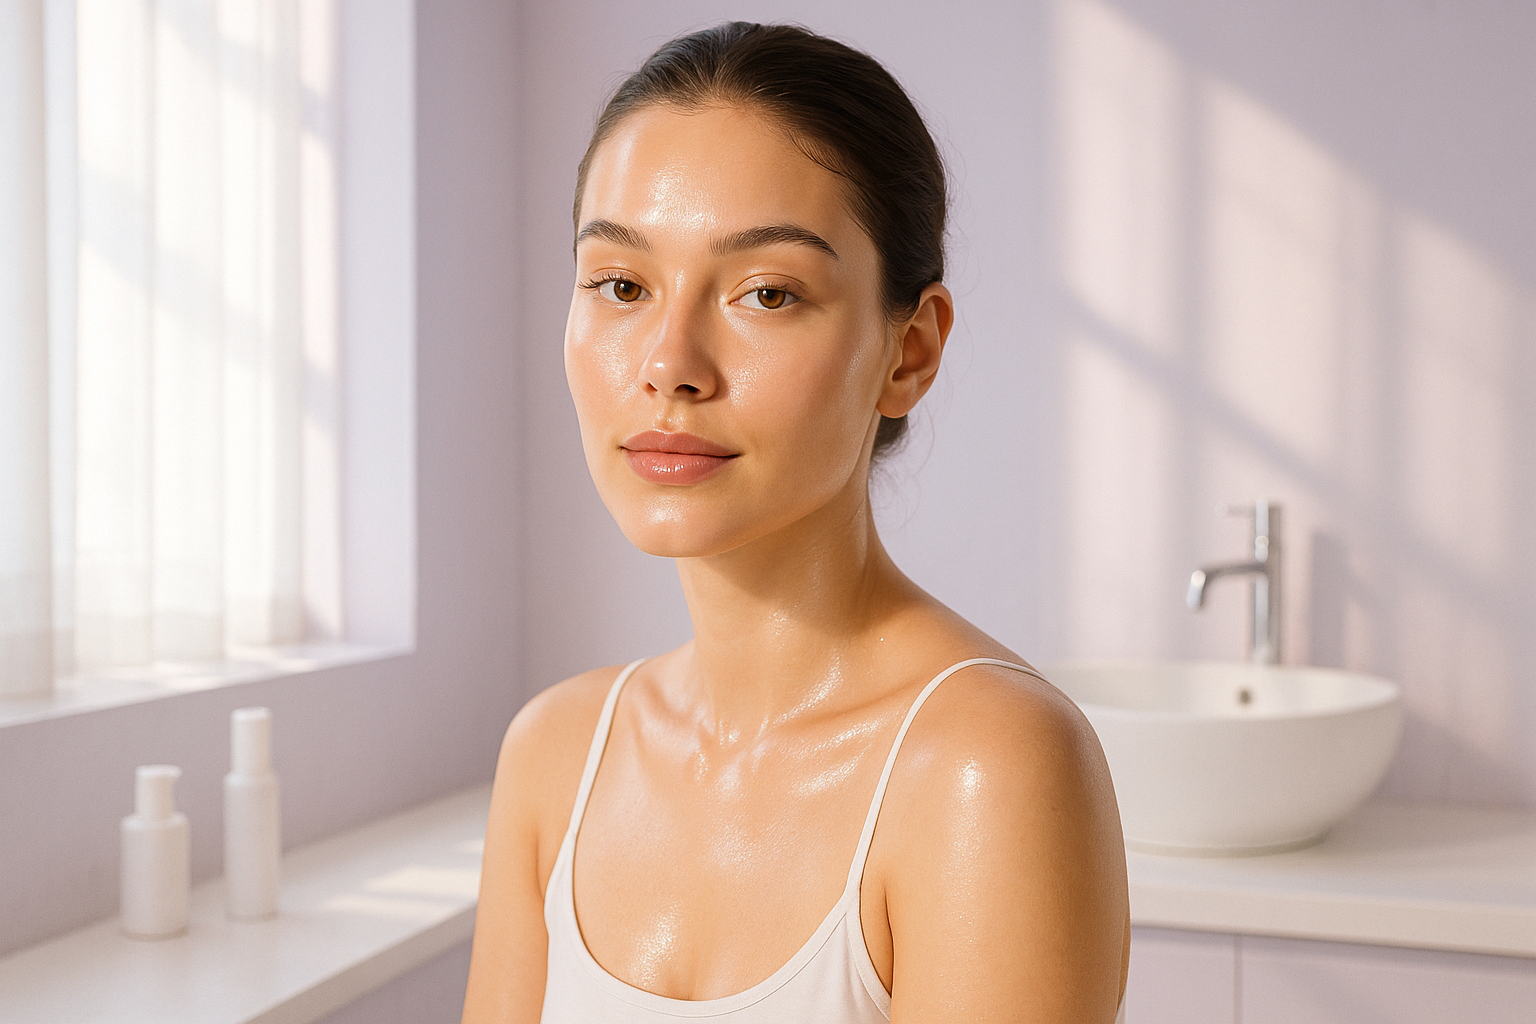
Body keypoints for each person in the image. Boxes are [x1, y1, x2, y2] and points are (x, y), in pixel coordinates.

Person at [462, 22, 1130, 1024]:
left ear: (909, 351)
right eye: (621, 285)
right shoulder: (554, 755)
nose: (670, 362)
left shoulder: (985, 768)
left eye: (767, 292)